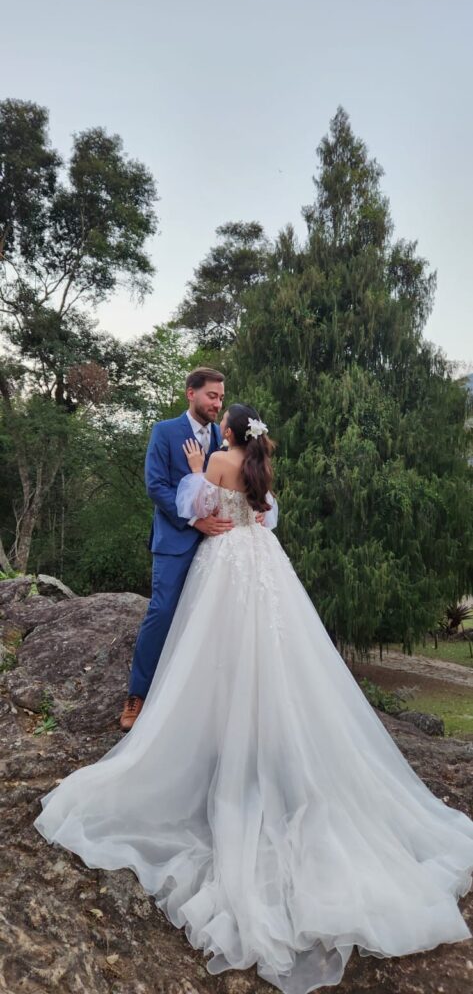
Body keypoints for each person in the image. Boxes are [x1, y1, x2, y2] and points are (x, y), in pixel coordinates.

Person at [35, 403, 473, 994]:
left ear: (230, 431)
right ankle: (265, 728)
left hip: (224, 563)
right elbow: (266, 516)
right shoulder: (262, 463)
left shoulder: (217, 459)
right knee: (273, 648)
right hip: (264, 559)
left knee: (215, 651)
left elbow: (196, 506)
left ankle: (218, 732)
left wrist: (197, 469)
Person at [119, 366, 233, 732]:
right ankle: (137, 695)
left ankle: (200, 702)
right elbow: (156, 486)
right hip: (175, 540)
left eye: (221, 398)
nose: (217, 404)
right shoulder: (165, 431)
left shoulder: (224, 437)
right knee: (163, 610)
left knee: (213, 617)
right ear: (191, 393)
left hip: (219, 543)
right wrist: (194, 521)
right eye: (212, 396)